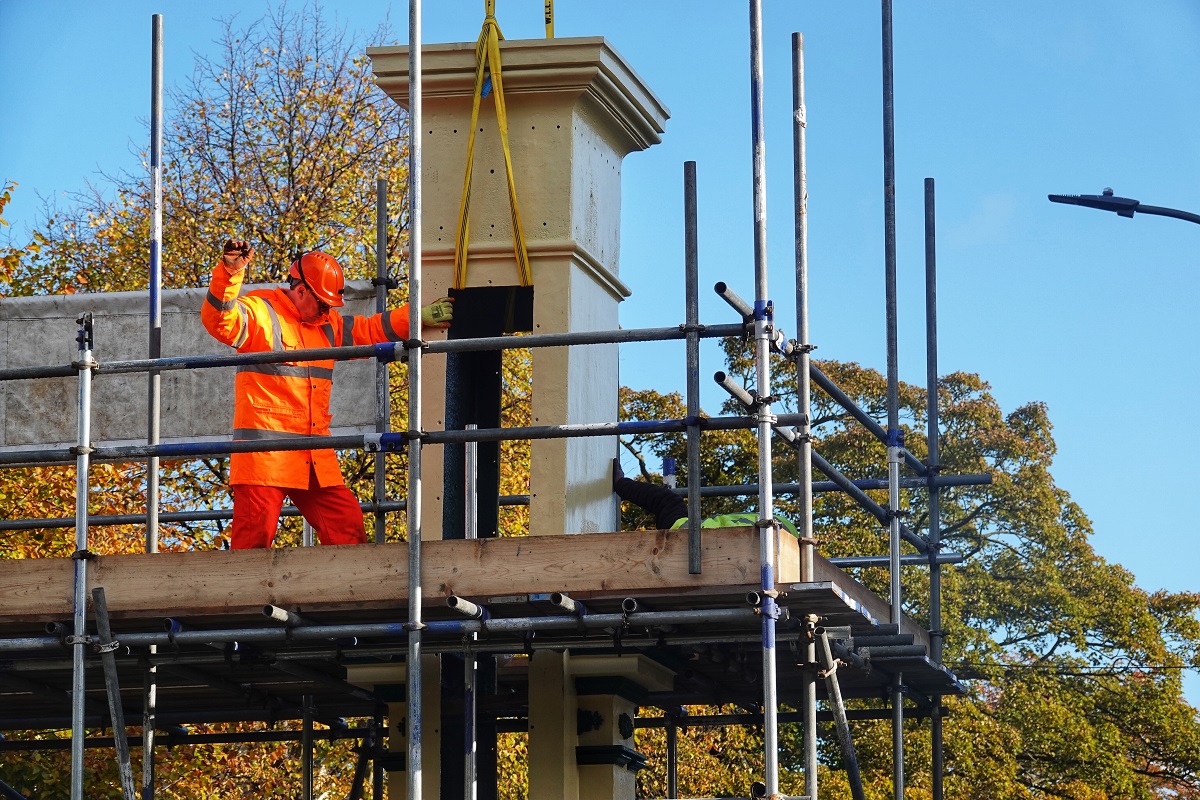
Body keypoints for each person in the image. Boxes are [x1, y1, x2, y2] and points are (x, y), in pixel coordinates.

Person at [201, 239, 454, 549]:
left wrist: (416, 317)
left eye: (329, 306)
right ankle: (244, 599)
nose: (326, 311)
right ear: (301, 290)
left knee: (346, 529)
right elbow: (221, 322)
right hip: (265, 456)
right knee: (252, 542)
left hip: (313, 452)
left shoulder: (326, 324)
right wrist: (229, 272)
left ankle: (347, 597)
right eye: (322, 303)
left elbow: (370, 331)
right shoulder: (262, 310)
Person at [612, 458, 798, 536]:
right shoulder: (787, 535)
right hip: (706, 541)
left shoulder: (780, 524)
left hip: (690, 535)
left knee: (668, 500)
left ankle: (620, 483)